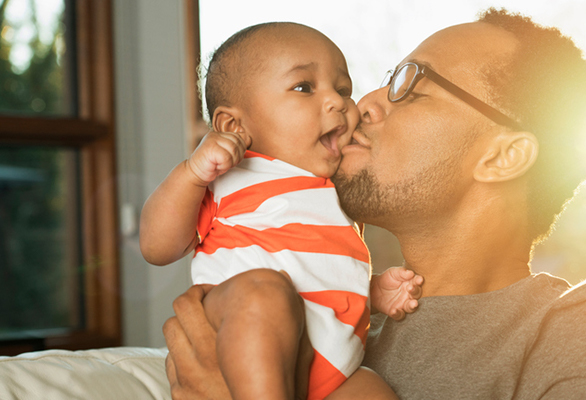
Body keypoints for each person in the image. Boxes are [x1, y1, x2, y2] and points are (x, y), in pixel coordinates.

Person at [162, 8, 586, 400]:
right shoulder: (327, 319)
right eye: (387, 80)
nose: (361, 105)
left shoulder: (580, 324)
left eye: (413, 86)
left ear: (503, 156)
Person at [140, 22, 423, 400]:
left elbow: (313, 271)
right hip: (243, 327)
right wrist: (191, 174)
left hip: (330, 368)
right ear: (233, 125)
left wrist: (368, 292)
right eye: (304, 87)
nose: (338, 102)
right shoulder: (231, 173)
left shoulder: (338, 190)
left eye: (343, 89)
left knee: (375, 390)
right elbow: (157, 248)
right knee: (266, 289)